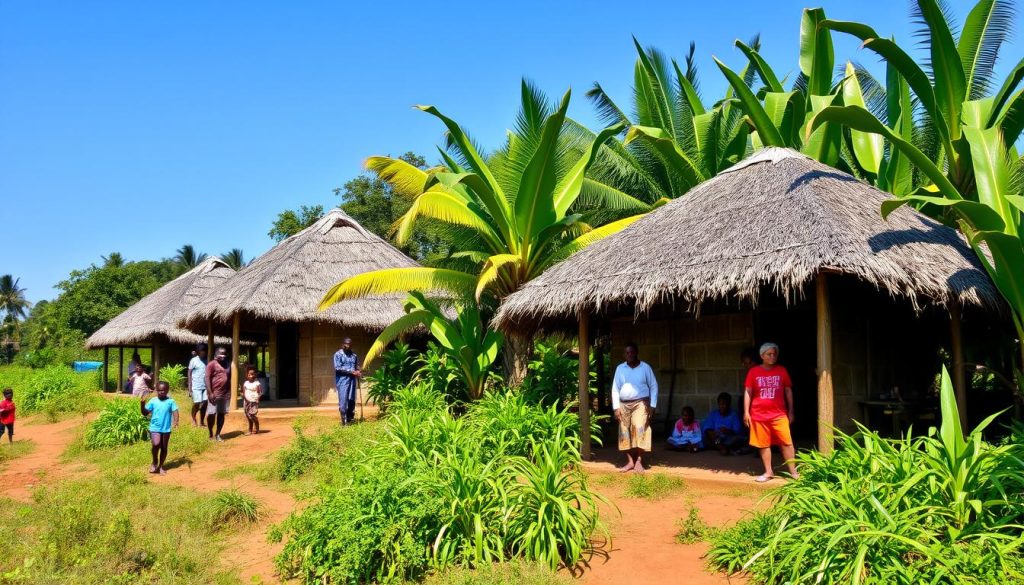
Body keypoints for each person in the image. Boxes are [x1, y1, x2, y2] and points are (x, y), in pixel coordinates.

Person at [743, 342, 798, 482]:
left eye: (774, 354)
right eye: (769, 354)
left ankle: (794, 473)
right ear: (762, 356)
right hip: (759, 415)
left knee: (786, 442)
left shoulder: (782, 370)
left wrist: (791, 411)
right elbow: (748, 391)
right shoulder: (753, 372)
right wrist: (746, 412)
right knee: (763, 444)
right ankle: (768, 472)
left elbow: (788, 391)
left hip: (779, 414)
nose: (772, 356)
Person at [612, 342, 658, 473]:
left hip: (640, 403)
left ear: (637, 352)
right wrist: (616, 407)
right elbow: (615, 388)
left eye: (632, 352)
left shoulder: (645, 368)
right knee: (624, 431)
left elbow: (654, 386)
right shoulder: (620, 368)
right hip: (623, 404)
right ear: (624, 354)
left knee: (639, 427)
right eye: (627, 353)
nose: (629, 355)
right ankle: (630, 461)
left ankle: (639, 460)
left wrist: (653, 405)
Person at [140, 381, 179, 474]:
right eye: (159, 390)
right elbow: (145, 413)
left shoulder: (171, 401)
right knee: (156, 444)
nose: (161, 392)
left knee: (164, 448)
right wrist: (142, 404)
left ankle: (161, 466)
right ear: (156, 390)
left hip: (166, 429)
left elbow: (175, 412)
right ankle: (154, 461)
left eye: (163, 390)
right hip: (154, 427)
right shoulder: (153, 400)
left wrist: (176, 422)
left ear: (167, 390)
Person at [333, 338, 361, 425]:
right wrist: (351, 371)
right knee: (343, 400)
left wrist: (358, 371)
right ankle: (343, 421)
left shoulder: (354, 356)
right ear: (343, 344)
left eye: (349, 344)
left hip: (352, 380)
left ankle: (350, 418)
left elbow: (356, 367)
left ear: (351, 345)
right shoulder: (338, 354)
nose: (347, 346)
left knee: (351, 399)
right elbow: (337, 368)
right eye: (346, 344)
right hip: (342, 380)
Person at [204, 347, 230, 441]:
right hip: (214, 393)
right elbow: (207, 378)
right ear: (215, 354)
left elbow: (229, 377)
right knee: (211, 414)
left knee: (221, 414)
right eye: (221, 353)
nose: (223, 355)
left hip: (225, 394)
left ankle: (218, 434)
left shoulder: (227, 364)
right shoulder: (211, 364)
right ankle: (210, 432)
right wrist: (210, 393)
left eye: (224, 354)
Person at [187, 343, 208, 426]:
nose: (203, 352)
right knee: (197, 403)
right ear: (198, 352)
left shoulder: (208, 360)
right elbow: (189, 373)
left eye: (204, 351)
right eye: (201, 351)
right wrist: (190, 387)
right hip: (196, 386)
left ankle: (202, 421)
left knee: (205, 403)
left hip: (206, 386)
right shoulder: (194, 360)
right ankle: (193, 419)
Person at [242, 366, 262, 435]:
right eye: (249, 375)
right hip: (246, 402)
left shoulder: (257, 383)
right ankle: (250, 430)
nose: (251, 376)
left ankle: (257, 427)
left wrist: (257, 400)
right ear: (247, 376)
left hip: (254, 401)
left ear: (255, 375)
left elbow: (259, 392)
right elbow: (243, 393)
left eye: (252, 374)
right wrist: (246, 400)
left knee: (252, 415)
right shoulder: (245, 383)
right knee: (248, 416)